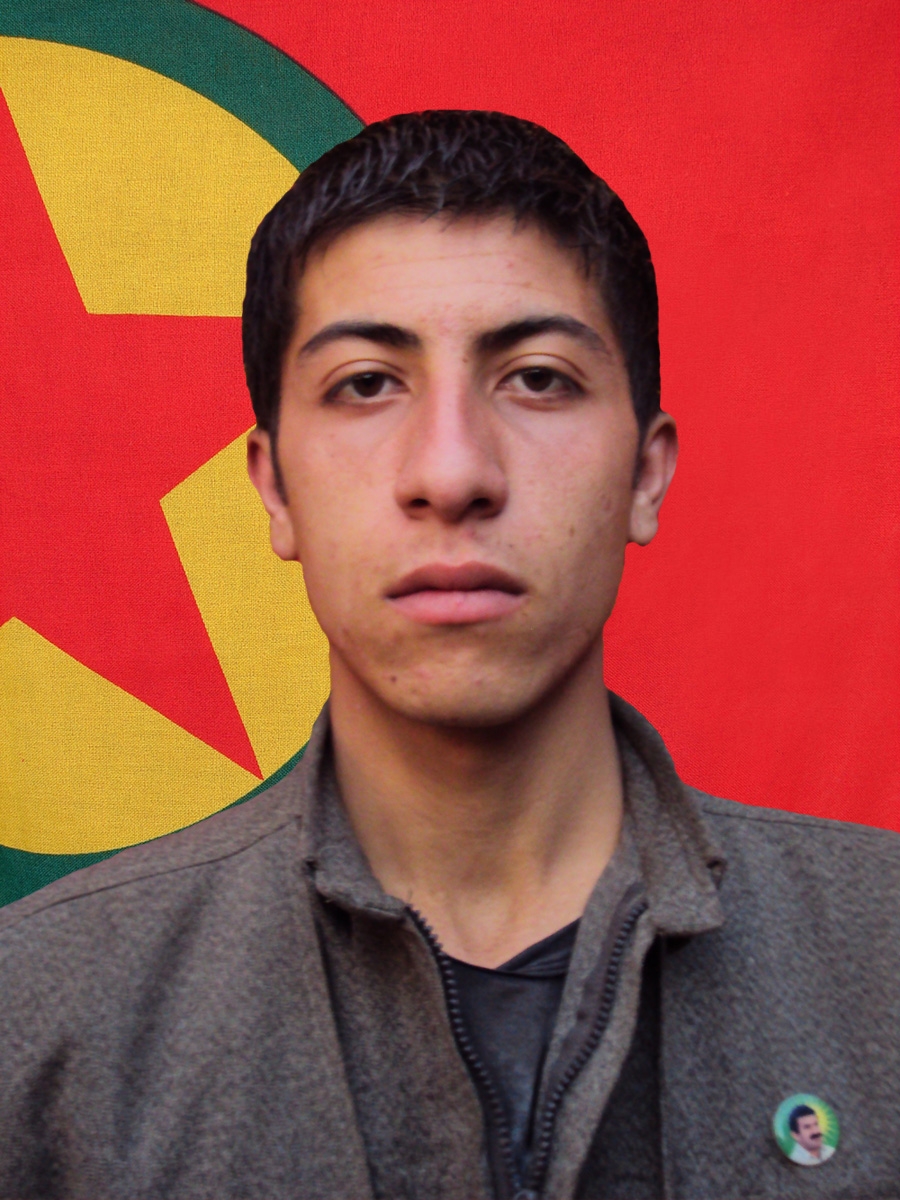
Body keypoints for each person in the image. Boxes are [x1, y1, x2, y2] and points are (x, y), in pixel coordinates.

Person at [0, 110, 898, 1200]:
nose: (453, 472)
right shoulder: (37, 1021)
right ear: (275, 488)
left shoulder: (881, 956)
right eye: (366, 383)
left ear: (645, 474)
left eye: (538, 378)